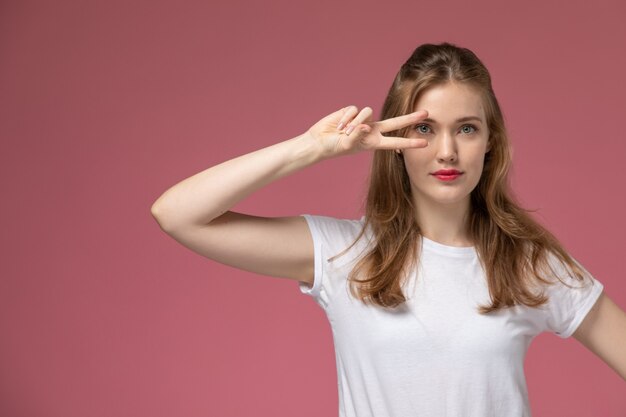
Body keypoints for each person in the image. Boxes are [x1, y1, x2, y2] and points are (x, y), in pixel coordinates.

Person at [150, 42, 626, 416]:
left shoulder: (527, 263)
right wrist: (312, 148)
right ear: (396, 141)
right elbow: (177, 214)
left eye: (466, 129)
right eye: (424, 129)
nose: (446, 152)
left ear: (489, 143)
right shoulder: (345, 253)